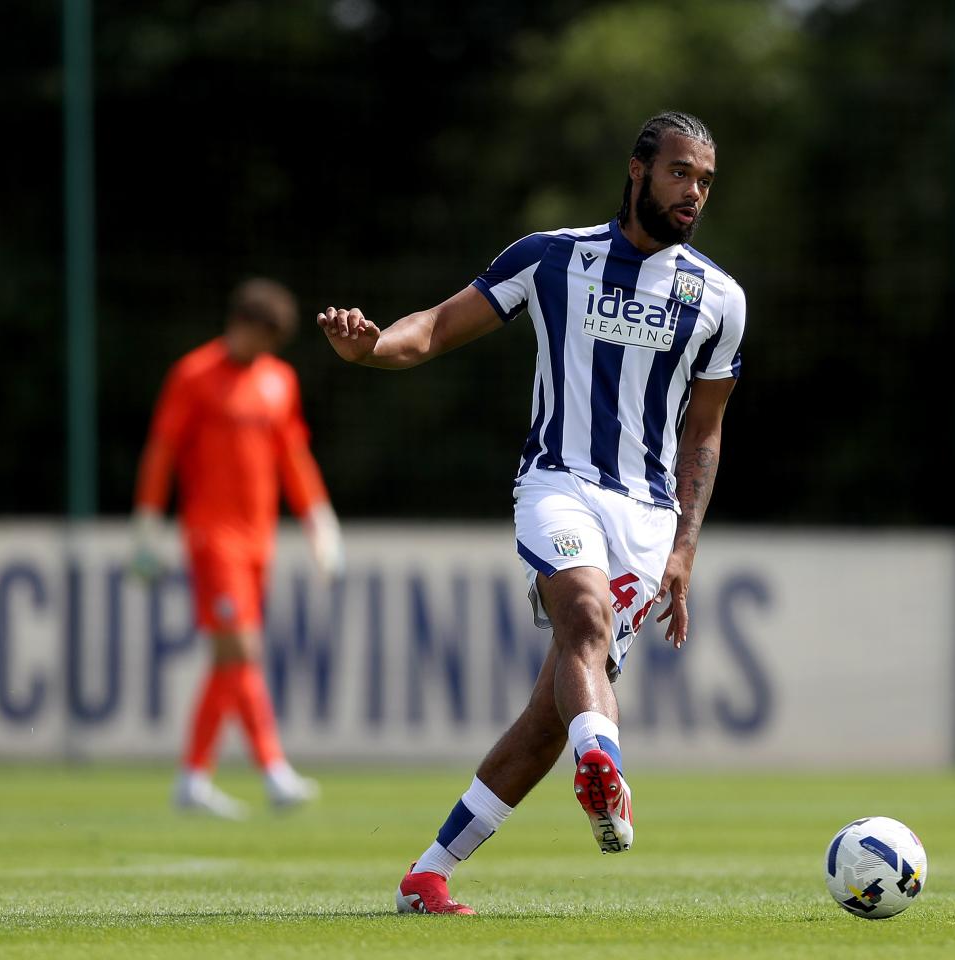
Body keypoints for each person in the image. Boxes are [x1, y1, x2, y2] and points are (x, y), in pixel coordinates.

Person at [318, 111, 744, 914]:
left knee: (551, 712)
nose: (694, 192)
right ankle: (606, 768)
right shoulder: (552, 258)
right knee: (581, 615)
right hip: (558, 484)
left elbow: (704, 435)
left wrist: (684, 550)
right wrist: (373, 348)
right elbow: (438, 327)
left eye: (705, 181)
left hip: (649, 522)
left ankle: (428, 873)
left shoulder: (720, 298)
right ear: (638, 170)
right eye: (681, 173)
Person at [132, 278, 344, 818]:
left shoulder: (279, 381)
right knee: (242, 651)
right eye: (260, 336)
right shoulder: (195, 374)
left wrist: (320, 522)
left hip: (259, 541)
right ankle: (273, 770)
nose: (264, 350)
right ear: (240, 324)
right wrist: (148, 525)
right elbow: (162, 451)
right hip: (212, 537)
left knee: (229, 660)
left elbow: (293, 459)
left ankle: (193, 777)